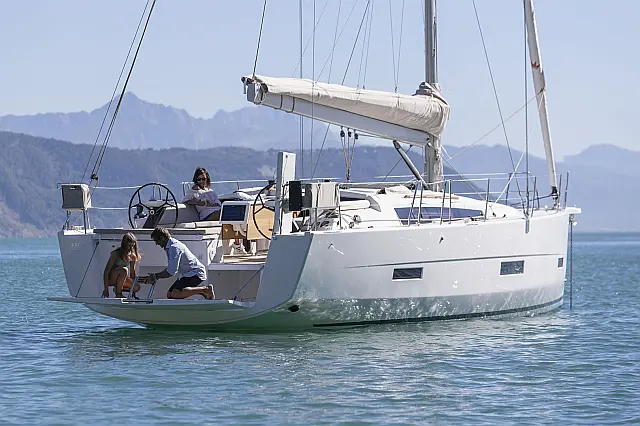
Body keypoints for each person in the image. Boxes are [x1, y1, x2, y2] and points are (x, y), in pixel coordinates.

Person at [183, 166, 247, 254]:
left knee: (235, 215)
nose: (201, 181)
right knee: (230, 215)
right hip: (207, 215)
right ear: (196, 180)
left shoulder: (210, 191)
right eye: (199, 179)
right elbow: (186, 200)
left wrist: (211, 204)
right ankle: (238, 245)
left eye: (203, 179)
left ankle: (238, 243)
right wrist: (197, 202)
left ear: (207, 179)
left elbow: (218, 203)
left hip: (217, 211)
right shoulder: (193, 191)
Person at [148, 226, 215, 300]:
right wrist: (156, 276)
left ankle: (206, 289)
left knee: (175, 294)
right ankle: (203, 292)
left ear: (162, 238)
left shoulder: (174, 247)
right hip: (188, 274)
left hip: (196, 273)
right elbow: (170, 269)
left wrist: (155, 276)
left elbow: (171, 272)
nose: (157, 244)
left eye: (156, 241)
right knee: (170, 295)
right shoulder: (170, 246)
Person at [102, 232, 142, 298]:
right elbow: (106, 272)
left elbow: (132, 274)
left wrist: (133, 291)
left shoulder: (132, 256)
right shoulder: (116, 254)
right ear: (124, 244)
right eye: (129, 246)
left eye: (133, 246)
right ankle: (118, 294)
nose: (131, 248)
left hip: (122, 278)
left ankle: (117, 289)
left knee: (136, 287)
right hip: (111, 278)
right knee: (124, 270)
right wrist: (106, 289)